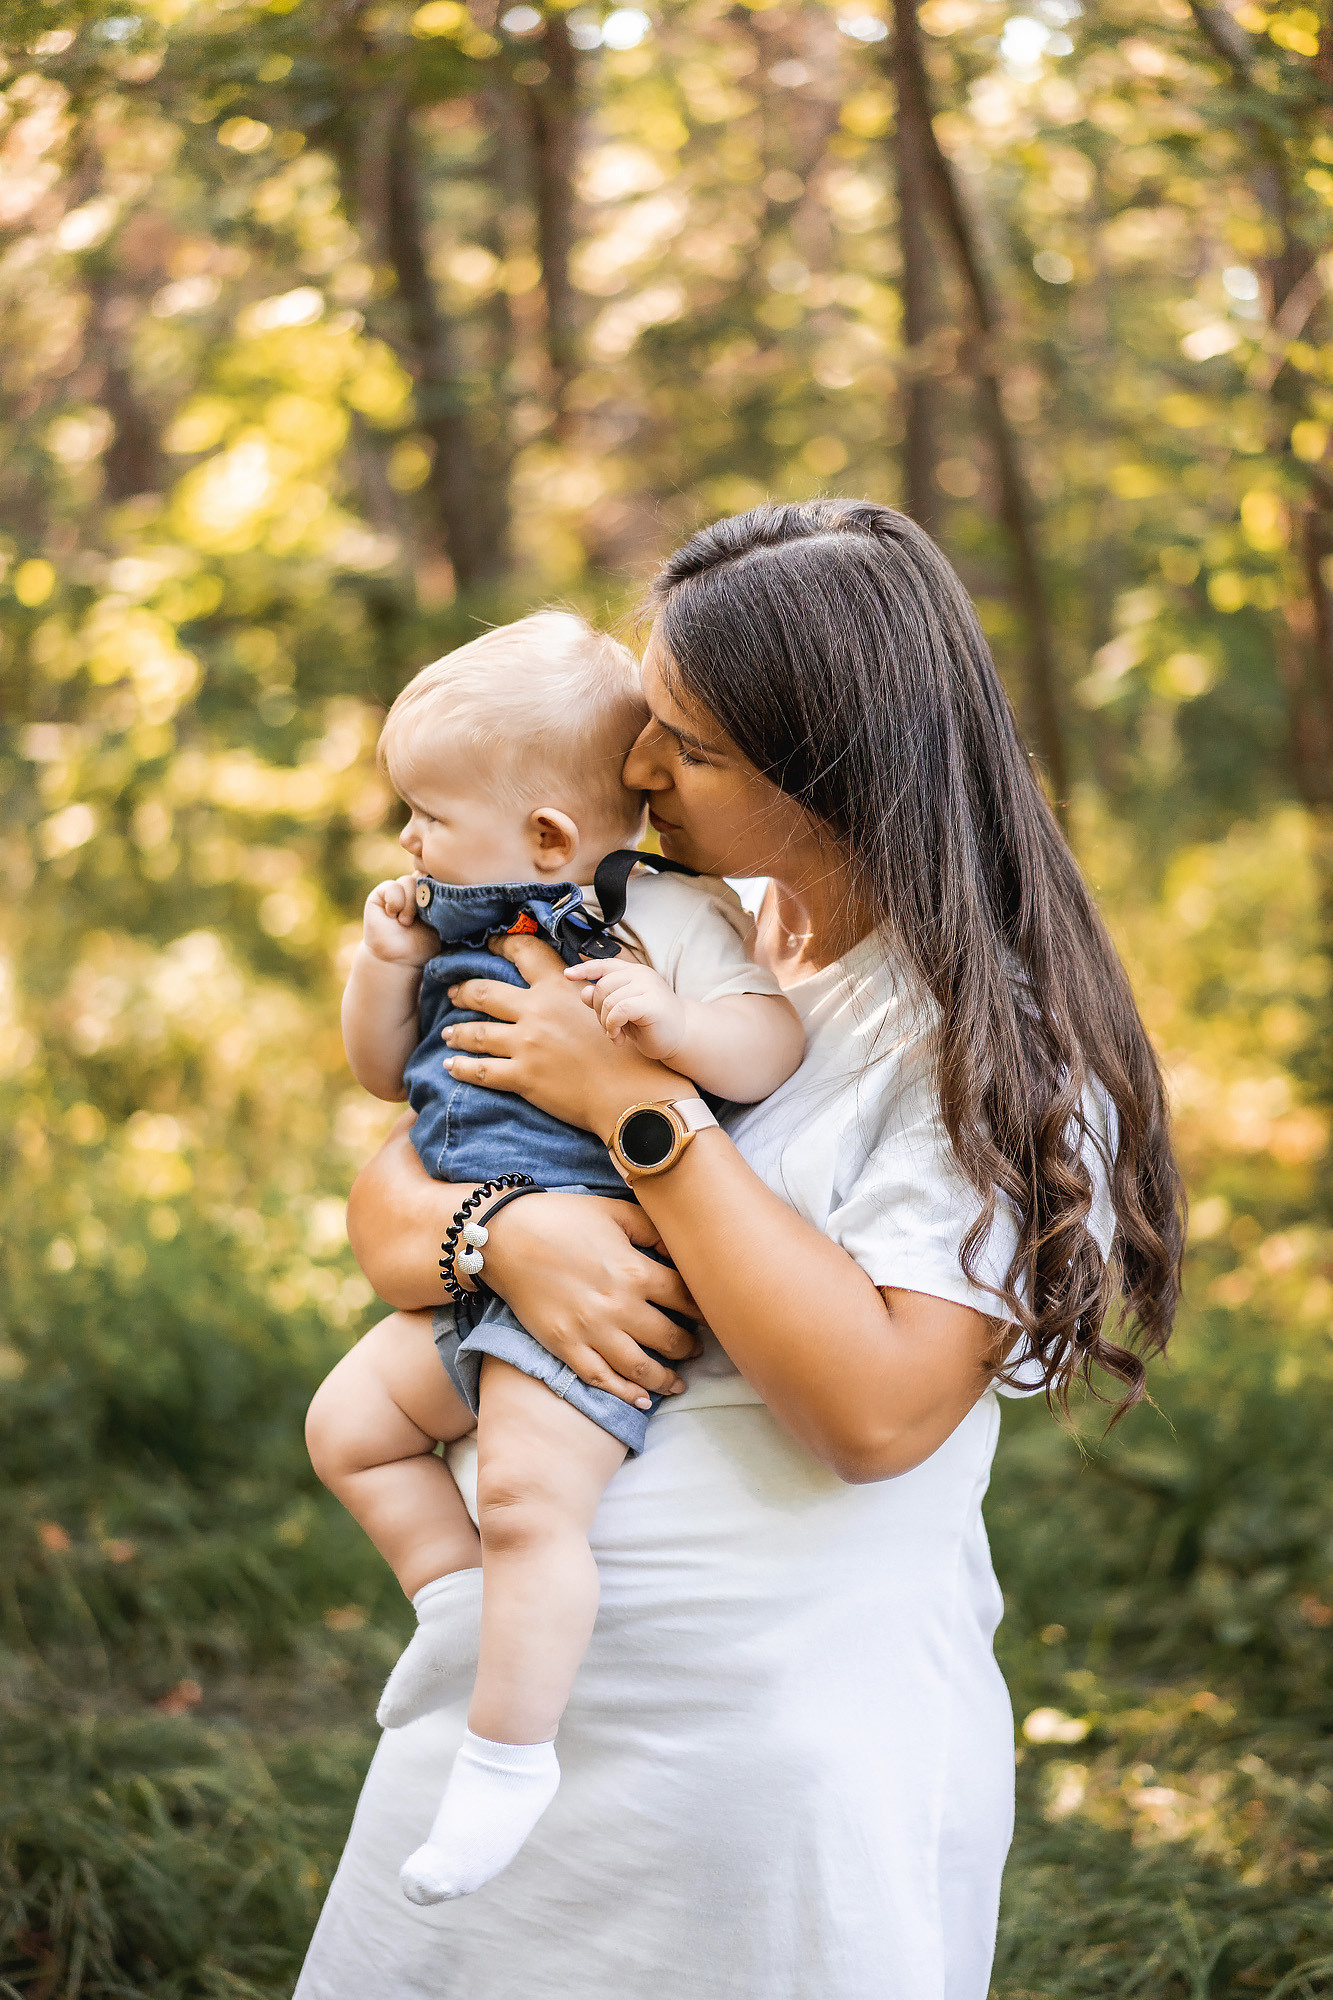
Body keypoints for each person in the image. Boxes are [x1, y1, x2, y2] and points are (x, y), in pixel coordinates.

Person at [295, 500, 1184, 2000]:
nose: (639, 764)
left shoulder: (993, 1047)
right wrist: (502, 1233)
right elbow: (399, 1188)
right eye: (647, 719)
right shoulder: (683, 928)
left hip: (755, 1756)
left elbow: (876, 1411)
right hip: (521, 1697)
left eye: (689, 747)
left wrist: (639, 1112)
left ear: (833, 765)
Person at [307, 611, 804, 1903]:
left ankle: (507, 1756)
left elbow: (768, 1049)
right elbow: (378, 1078)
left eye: (425, 811)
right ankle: (453, 1604)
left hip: (596, 1274)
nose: (406, 839)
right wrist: (382, 964)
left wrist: (669, 1023)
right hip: (478, 1263)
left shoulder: (669, 920)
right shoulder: (442, 923)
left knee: (529, 1496)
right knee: (347, 1427)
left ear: (541, 837)